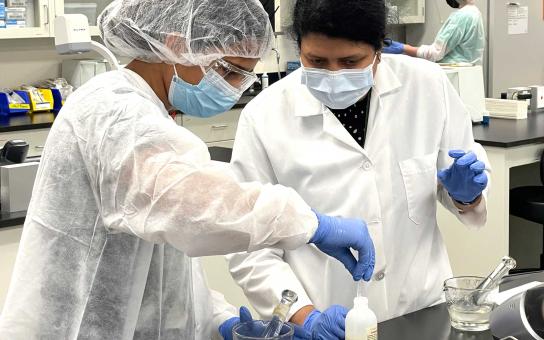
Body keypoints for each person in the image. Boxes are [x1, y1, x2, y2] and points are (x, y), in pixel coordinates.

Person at [0, 1, 376, 339]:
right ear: (179, 45)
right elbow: (195, 207)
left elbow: (161, 260)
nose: (235, 90)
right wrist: (311, 224)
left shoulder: (147, 112)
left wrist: (218, 319)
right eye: (229, 72)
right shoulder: (115, 112)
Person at [226, 0, 490, 338]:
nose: (334, 74)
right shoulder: (264, 116)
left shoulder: (428, 86)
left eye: (351, 61)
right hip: (326, 316)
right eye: (316, 61)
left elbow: (458, 181)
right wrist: (304, 316)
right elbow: (249, 242)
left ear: (379, 49)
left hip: (419, 313)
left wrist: (466, 194)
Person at [383, 0, 485, 64]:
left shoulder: (462, 16)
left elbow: (435, 53)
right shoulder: (475, 13)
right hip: (469, 78)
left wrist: (404, 48)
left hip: (455, 77)